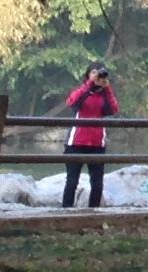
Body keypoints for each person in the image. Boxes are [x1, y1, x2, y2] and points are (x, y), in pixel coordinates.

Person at [58, 64, 117, 209]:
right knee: (72, 181)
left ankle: (93, 214)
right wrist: (90, 84)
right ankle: (66, 213)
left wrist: (106, 88)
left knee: (97, 183)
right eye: (94, 72)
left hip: (97, 144)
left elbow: (113, 109)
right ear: (88, 75)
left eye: (99, 73)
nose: (97, 76)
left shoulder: (104, 94)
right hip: (76, 143)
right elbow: (73, 102)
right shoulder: (82, 91)